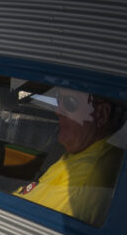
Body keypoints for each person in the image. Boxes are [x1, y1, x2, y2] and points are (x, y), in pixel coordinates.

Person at [14, 88, 124, 226]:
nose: (58, 111)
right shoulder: (83, 148)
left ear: (102, 114)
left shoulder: (86, 182)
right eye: (59, 100)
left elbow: (25, 227)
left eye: (70, 103)